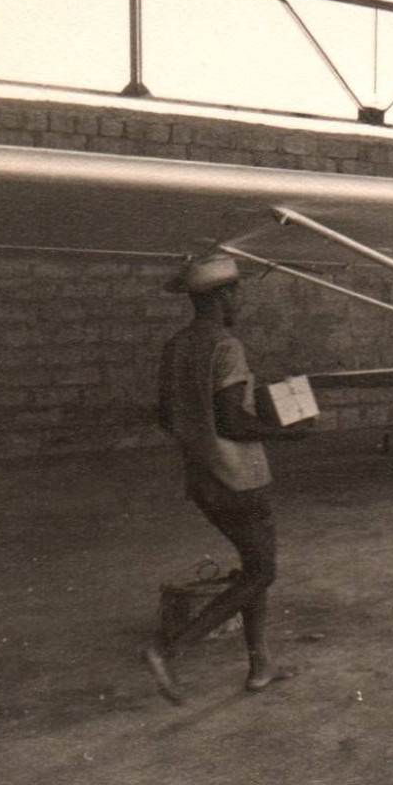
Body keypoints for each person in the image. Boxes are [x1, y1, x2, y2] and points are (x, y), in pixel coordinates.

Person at [143, 253, 313, 704]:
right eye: (235, 291)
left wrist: (198, 435)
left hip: (202, 480)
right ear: (220, 296)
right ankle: (170, 650)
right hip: (240, 479)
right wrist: (286, 433)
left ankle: (260, 666)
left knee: (252, 568)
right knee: (262, 571)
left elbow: (166, 416)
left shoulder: (177, 346)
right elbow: (232, 423)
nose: (239, 299)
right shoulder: (225, 346)